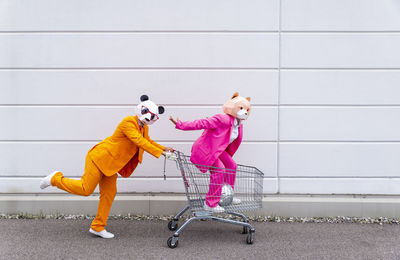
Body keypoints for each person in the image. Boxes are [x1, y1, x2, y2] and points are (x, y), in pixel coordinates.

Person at [40, 95, 174, 238]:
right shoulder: (128, 122)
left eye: (153, 116)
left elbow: (147, 141)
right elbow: (139, 141)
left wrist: (164, 149)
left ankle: (98, 226)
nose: (150, 118)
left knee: (109, 194)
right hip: (99, 158)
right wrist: (160, 153)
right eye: (149, 114)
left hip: (111, 166)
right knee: (86, 189)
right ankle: (55, 179)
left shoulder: (144, 127)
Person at [170, 92, 251, 213]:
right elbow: (202, 123)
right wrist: (180, 124)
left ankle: (228, 194)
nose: (244, 111)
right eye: (241, 108)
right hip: (206, 149)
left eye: (247, 109)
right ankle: (210, 203)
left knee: (231, 166)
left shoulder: (238, 124)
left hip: (217, 149)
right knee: (219, 169)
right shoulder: (222, 119)